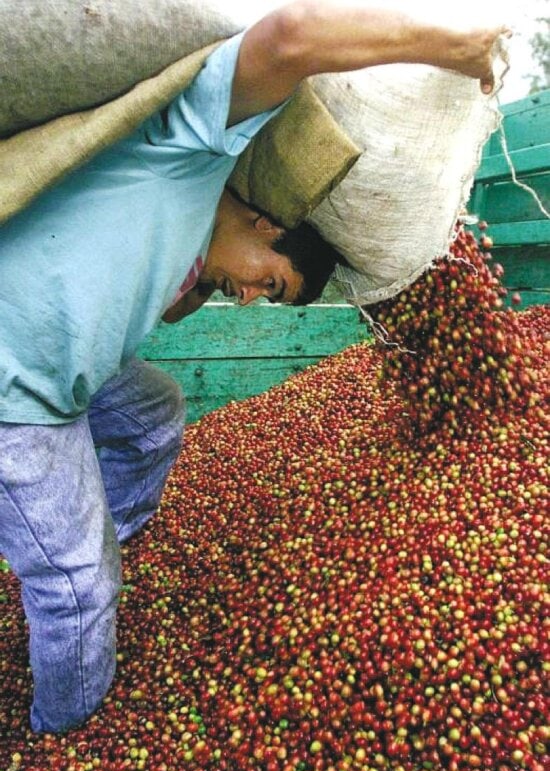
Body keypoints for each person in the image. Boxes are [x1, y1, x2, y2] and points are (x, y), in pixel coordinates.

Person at [0, 1, 508, 733]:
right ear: (269, 222)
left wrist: (210, 271)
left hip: (67, 368)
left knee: (154, 414)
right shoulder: (195, 147)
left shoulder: (187, 260)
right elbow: (291, 35)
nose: (248, 300)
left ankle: (110, 540)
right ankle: (61, 734)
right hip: (21, 385)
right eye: (268, 282)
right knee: (77, 585)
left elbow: (167, 306)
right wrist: (454, 46)